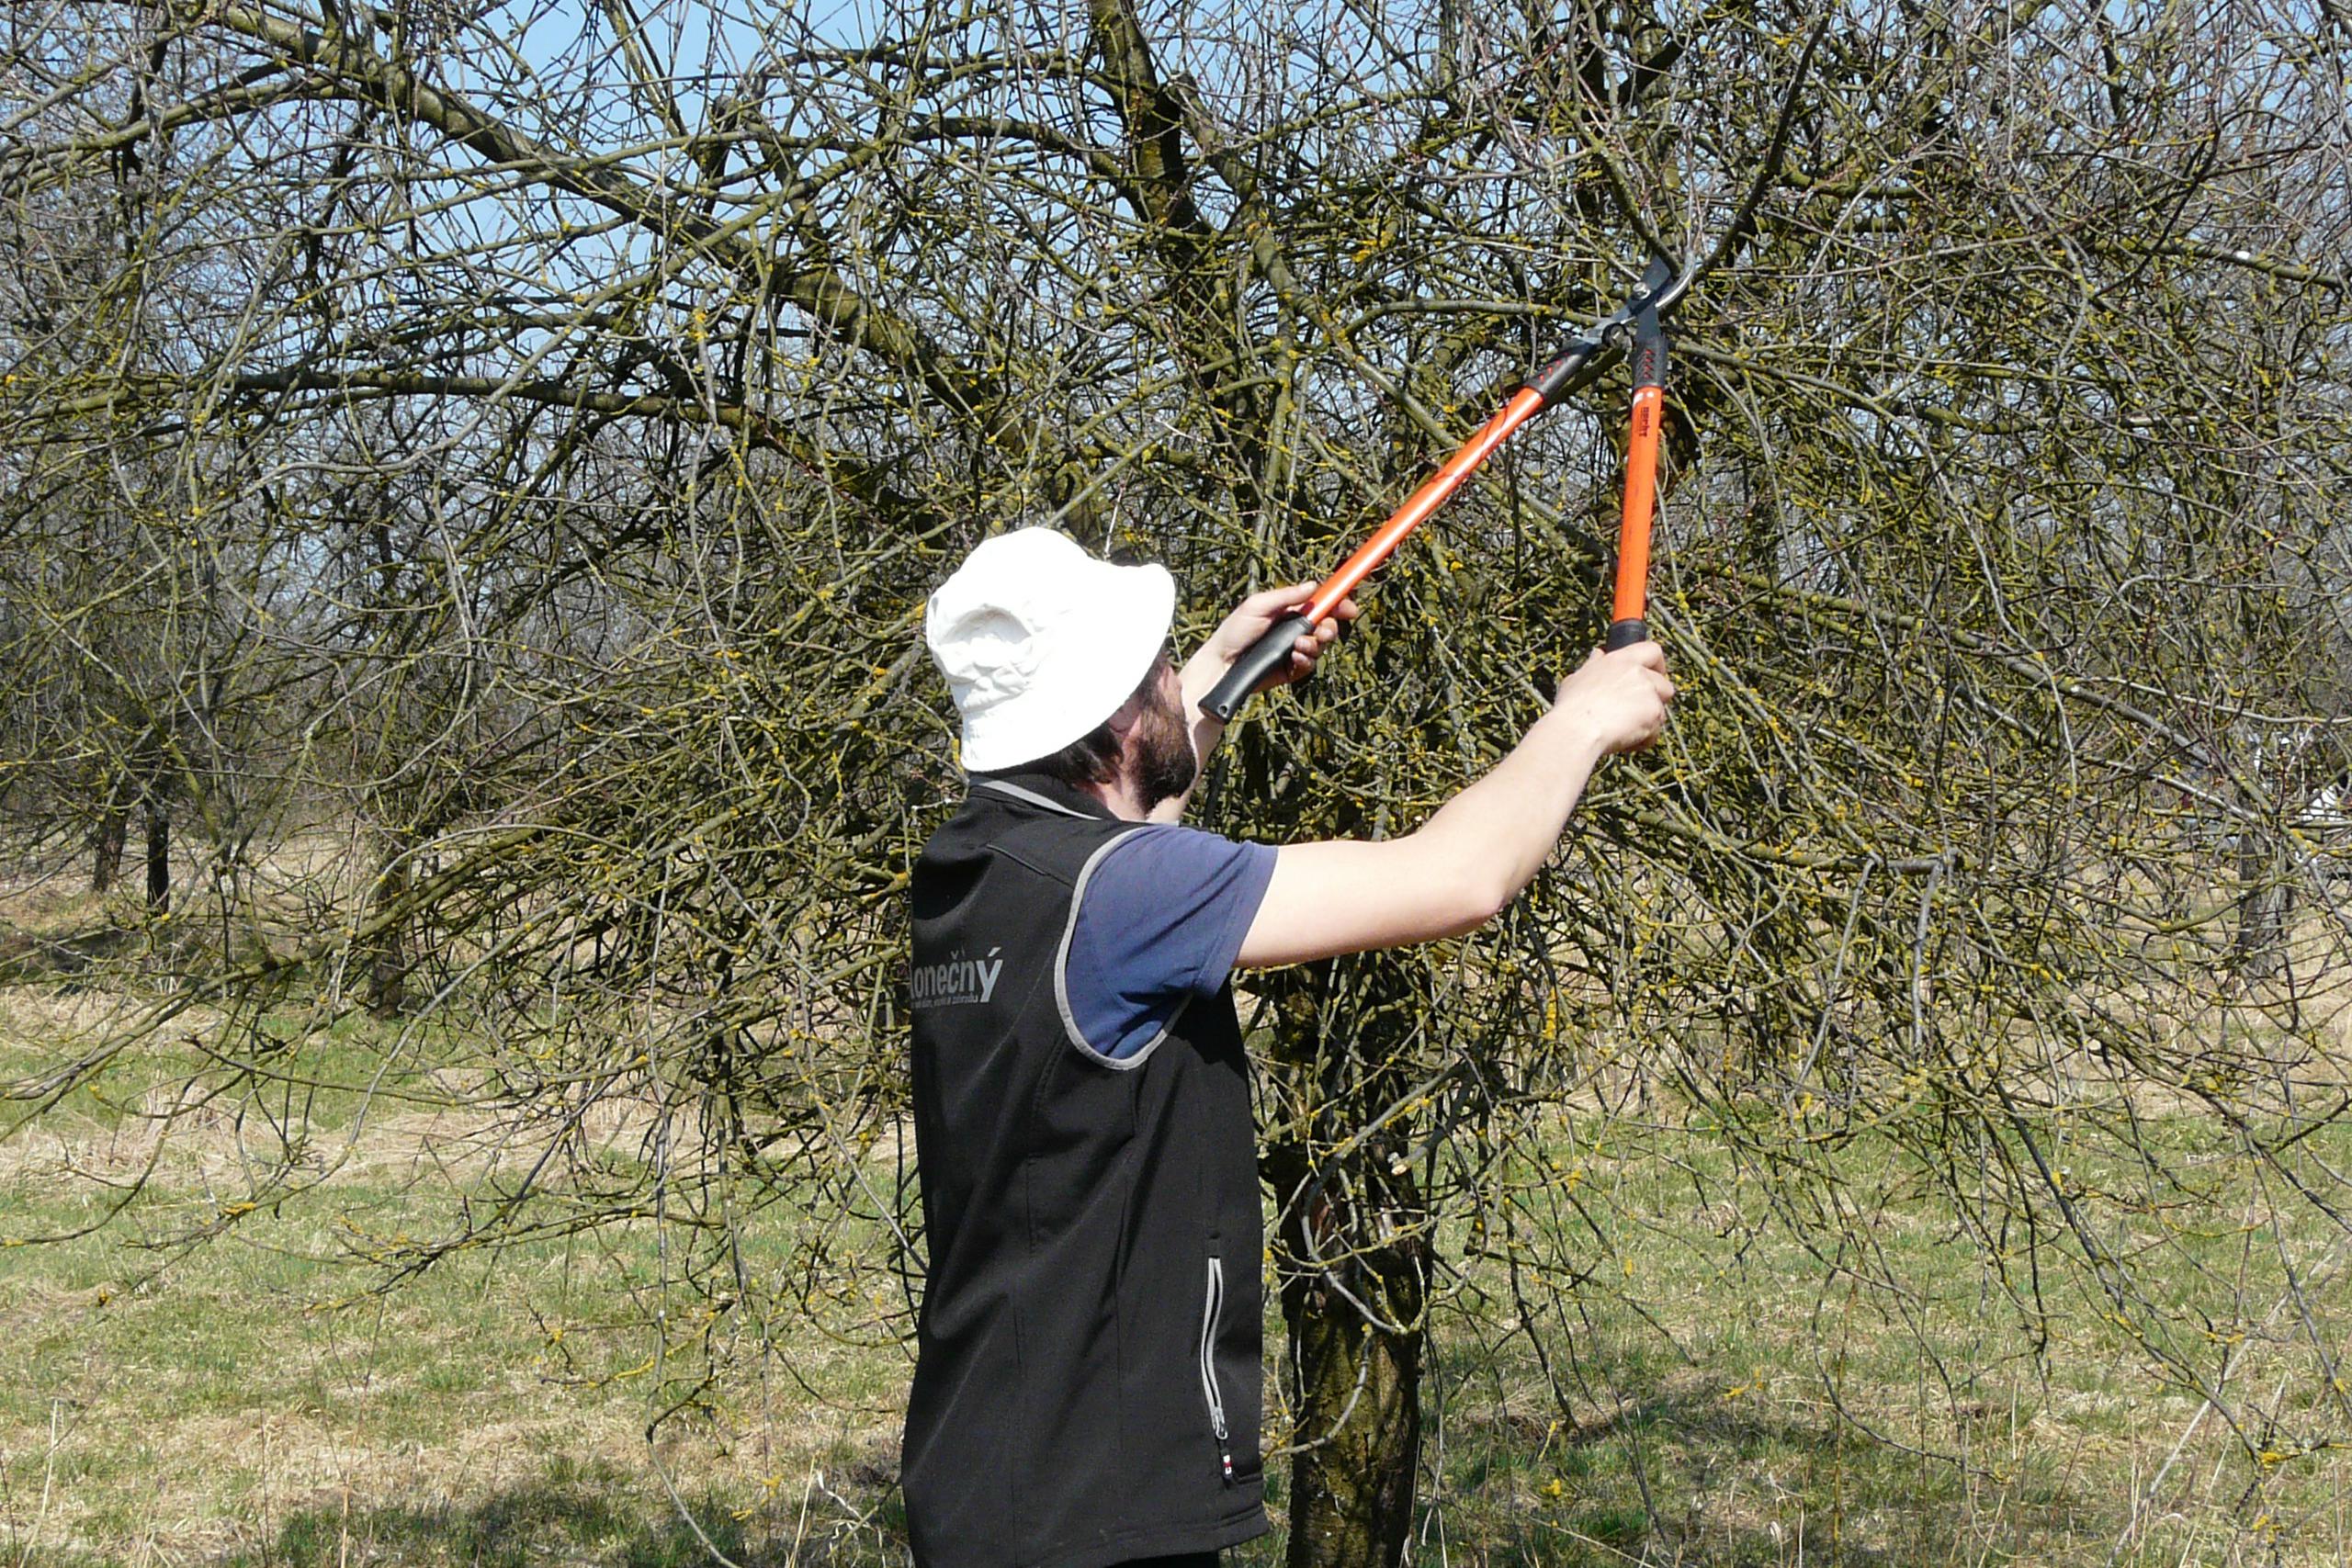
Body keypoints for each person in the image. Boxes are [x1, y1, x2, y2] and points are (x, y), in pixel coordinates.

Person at [905, 527, 1673, 1568]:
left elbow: (1126, 839)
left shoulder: (975, 869)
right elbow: (1457, 878)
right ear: (1120, 716)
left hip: (991, 1474)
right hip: (1095, 1503)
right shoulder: (1129, 895)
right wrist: (1577, 723)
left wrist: (1219, 677)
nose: (1176, 677)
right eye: (1161, 670)